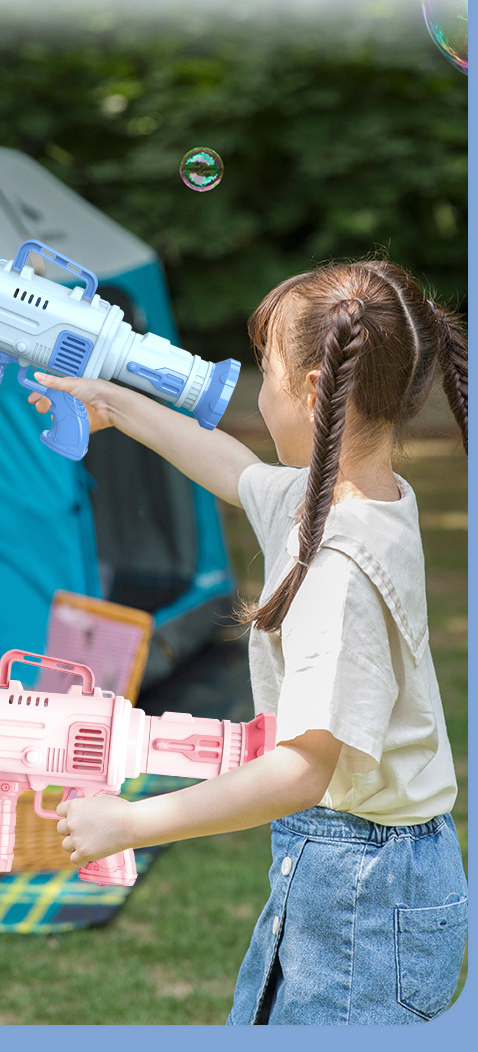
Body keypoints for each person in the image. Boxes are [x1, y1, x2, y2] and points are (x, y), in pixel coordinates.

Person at [28, 259, 468, 1025]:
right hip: (364, 866)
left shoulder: (336, 566)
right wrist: (117, 404)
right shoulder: (361, 495)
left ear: (307, 393)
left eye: (264, 371)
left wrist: (130, 822)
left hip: (363, 883)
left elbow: (300, 770)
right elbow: (235, 470)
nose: (252, 393)